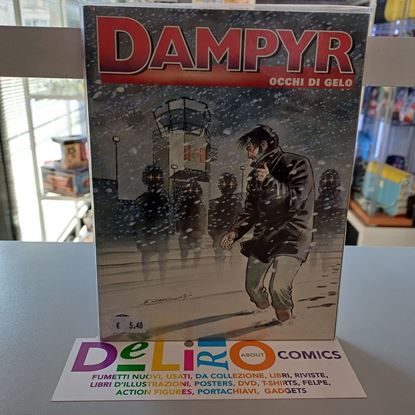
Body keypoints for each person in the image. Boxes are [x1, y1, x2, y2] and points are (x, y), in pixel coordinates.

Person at [221, 124, 315, 322]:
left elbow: (296, 201)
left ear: (263, 145)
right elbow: (251, 210)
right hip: (264, 237)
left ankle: (285, 321)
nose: (248, 155)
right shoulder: (254, 176)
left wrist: (270, 182)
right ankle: (262, 307)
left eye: (250, 148)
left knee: (279, 288)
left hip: (292, 236)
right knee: (252, 287)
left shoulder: (297, 164)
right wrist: (234, 232)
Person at [135, 164, 171, 280]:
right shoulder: (145, 199)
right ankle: (155, 279)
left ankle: (159, 279)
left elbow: (167, 217)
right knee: (151, 259)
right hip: (150, 233)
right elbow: (138, 220)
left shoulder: (163, 198)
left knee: (155, 259)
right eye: (152, 177)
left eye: (157, 177)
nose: (155, 180)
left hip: (156, 233)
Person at [208, 173, 242, 262]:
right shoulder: (237, 203)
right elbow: (240, 221)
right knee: (234, 258)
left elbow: (211, 224)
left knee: (221, 258)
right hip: (229, 234)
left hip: (223, 233)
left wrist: (218, 235)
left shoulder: (215, 203)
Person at [176, 179, 206, 262]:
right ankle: (194, 265)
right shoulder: (199, 203)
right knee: (196, 251)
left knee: (184, 251)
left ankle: (185, 264)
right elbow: (203, 217)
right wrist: (202, 229)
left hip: (186, 229)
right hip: (196, 229)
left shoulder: (184, 202)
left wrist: (179, 228)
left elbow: (179, 216)